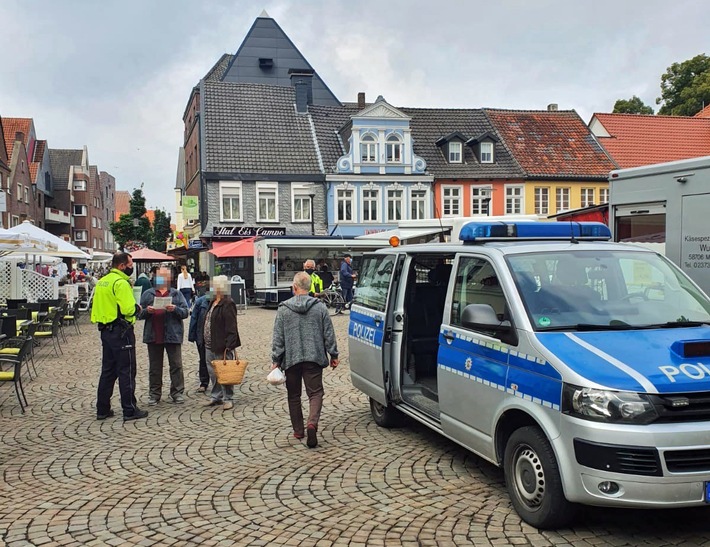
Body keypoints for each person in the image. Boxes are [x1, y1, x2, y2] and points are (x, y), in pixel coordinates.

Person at [271, 271, 339, 448]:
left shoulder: (283, 309)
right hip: (314, 357)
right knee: (315, 393)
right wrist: (334, 355)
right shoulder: (320, 307)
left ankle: (298, 430)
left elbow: (278, 339)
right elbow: (328, 334)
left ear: (294, 287)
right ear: (309, 288)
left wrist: (276, 360)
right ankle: (312, 423)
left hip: (291, 358)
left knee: (293, 395)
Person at [91, 252, 148, 422]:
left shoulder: (103, 281)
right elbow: (127, 309)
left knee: (107, 371)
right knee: (127, 371)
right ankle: (129, 409)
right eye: (130, 264)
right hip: (121, 331)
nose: (131, 267)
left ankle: (102, 409)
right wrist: (137, 308)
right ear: (122, 265)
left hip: (105, 330)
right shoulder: (121, 283)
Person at [138, 267, 189, 405]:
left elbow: (185, 312)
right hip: (153, 335)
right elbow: (138, 314)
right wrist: (147, 311)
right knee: (154, 367)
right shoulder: (148, 294)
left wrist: (175, 309)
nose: (162, 279)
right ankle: (154, 394)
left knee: (176, 365)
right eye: (160, 276)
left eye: (165, 276)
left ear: (169, 278)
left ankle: (177, 393)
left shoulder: (176, 294)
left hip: (173, 335)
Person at [203, 275, 241, 410]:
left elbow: (232, 327)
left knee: (225, 372)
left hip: (221, 345)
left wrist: (229, 346)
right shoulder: (213, 301)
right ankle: (216, 396)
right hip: (209, 344)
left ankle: (228, 397)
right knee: (213, 372)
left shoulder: (228, 303)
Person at [188, 289, 211, 393]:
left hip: (216, 337)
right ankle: (204, 382)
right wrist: (192, 336)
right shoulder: (200, 302)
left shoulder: (224, 301)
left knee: (218, 360)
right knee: (203, 359)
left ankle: (220, 382)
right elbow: (194, 318)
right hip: (201, 336)